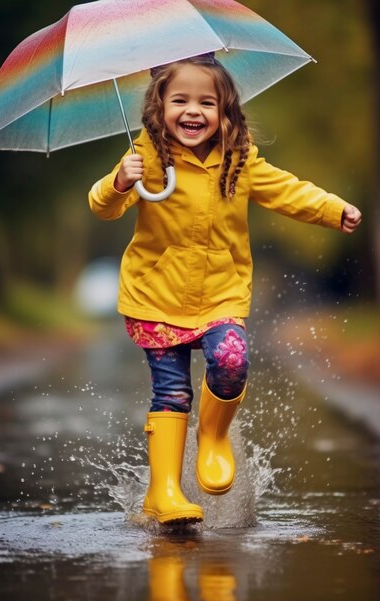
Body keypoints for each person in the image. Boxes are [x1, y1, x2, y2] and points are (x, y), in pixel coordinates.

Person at [88, 54, 362, 525]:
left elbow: (289, 191)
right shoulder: (144, 158)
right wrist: (117, 183)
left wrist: (333, 208)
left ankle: (213, 438)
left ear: (225, 110)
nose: (192, 111)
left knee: (231, 360)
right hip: (157, 294)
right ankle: (165, 493)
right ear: (159, 107)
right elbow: (104, 208)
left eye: (206, 102)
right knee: (171, 393)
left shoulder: (240, 160)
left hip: (220, 293)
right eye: (179, 100)